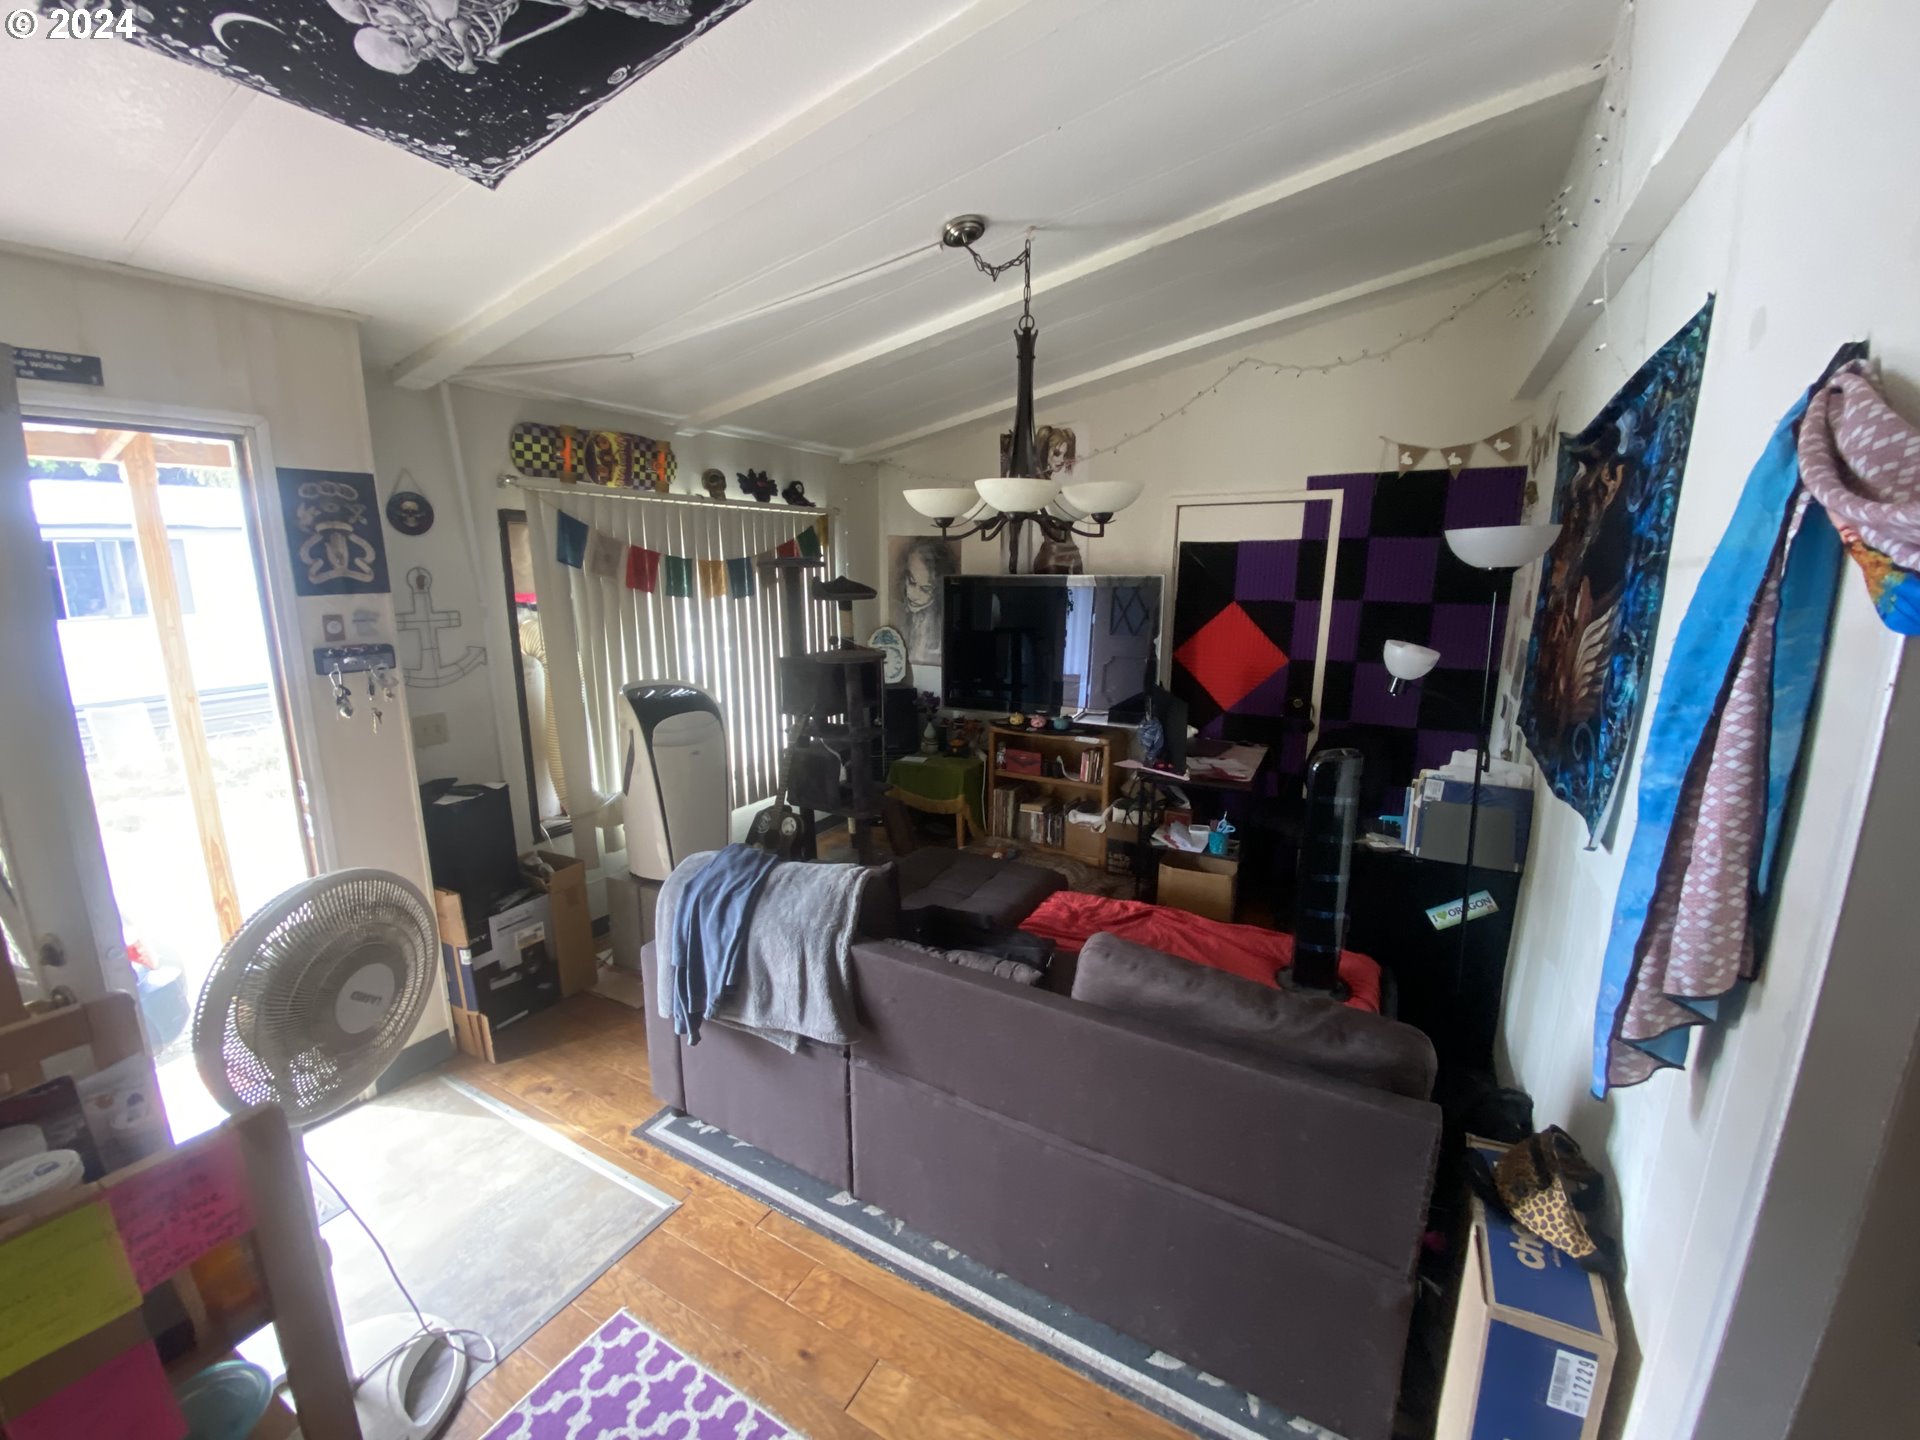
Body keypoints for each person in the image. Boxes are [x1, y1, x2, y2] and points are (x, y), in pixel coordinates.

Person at [895, 537, 956, 665]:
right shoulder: (899, 616)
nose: (915, 594)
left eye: (925, 589)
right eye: (911, 582)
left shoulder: (944, 625)